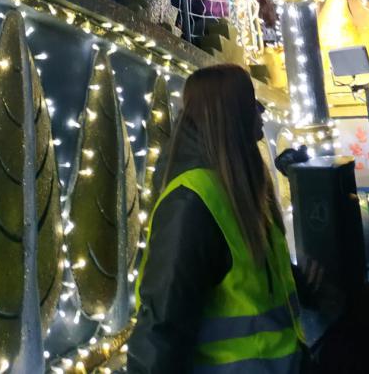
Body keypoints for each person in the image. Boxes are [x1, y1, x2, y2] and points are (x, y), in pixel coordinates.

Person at [129, 63, 310, 373]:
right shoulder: (191, 203)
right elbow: (161, 328)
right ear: (229, 113)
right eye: (251, 103)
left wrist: (305, 284)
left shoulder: (243, 187)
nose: (261, 111)